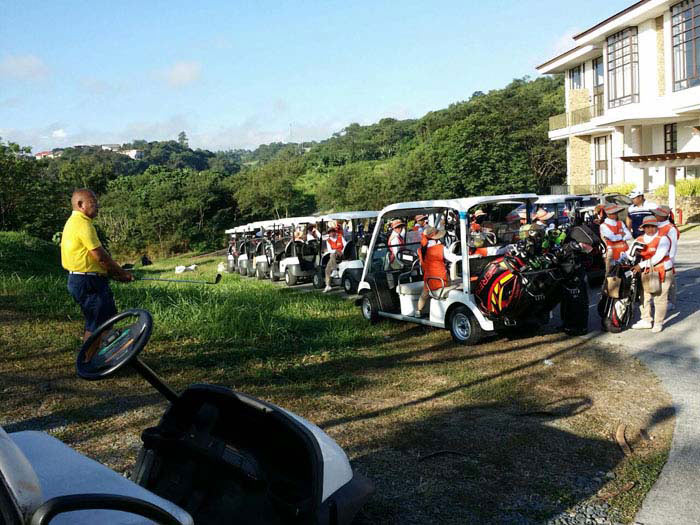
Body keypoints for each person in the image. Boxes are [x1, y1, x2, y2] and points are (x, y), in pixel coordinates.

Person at [61, 189, 133, 357]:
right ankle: (87, 362)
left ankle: (105, 355)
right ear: (80, 205)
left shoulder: (75, 222)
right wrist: (121, 273)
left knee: (106, 320)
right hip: (86, 281)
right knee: (96, 324)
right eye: (93, 203)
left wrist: (114, 273)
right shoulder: (83, 224)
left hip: (87, 279)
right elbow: (100, 257)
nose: (98, 207)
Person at [631, 216, 674, 333]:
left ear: (656, 226)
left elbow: (658, 257)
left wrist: (641, 264)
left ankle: (658, 322)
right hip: (647, 272)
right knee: (644, 296)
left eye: (652, 226)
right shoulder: (639, 239)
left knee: (660, 297)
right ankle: (646, 319)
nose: (650, 229)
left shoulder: (663, 238)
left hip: (663, 270)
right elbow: (630, 253)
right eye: (647, 227)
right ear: (643, 228)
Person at [415, 227, 461, 317]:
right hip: (442, 280)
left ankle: (418, 311)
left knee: (423, 295)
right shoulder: (440, 248)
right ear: (435, 237)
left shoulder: (420, 250)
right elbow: (454, 258)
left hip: (428, 281)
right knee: (456, 283)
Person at [652, 205, 679, 310]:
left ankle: (671, 301)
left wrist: (671, 260)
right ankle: (660, 300)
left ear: (662, 216)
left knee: (669, 281)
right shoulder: (656, 225)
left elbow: (673, 246)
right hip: (657, 256)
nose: (654, 215)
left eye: (656, 214)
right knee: (658, 280)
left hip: (667, 259)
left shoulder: (670, 228)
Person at [599, 204, 632, 273]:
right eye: (614, 212)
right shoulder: (603, 225)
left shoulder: (620, 223)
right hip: (611, 254)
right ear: (608, 214)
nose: (616, 214)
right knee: (611, 277)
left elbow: (629, 236)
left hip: (624, 252)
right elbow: (612, 238)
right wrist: (622, 235)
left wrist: (617, 236)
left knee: (627, 274)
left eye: (616, 212)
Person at [323, 226, 346, 292]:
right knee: (327, 269)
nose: (332, 233)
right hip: (334, 255)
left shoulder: (340, 237)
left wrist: (342, 251)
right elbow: (330, 250)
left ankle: (334, 270)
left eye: (333, 231)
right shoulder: (328, 241)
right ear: (329, 234)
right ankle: (328, 285)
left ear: (335, 232)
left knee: (333, 255)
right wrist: (336, 251)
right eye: (330, 232)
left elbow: (345, 245)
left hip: (342, 254)